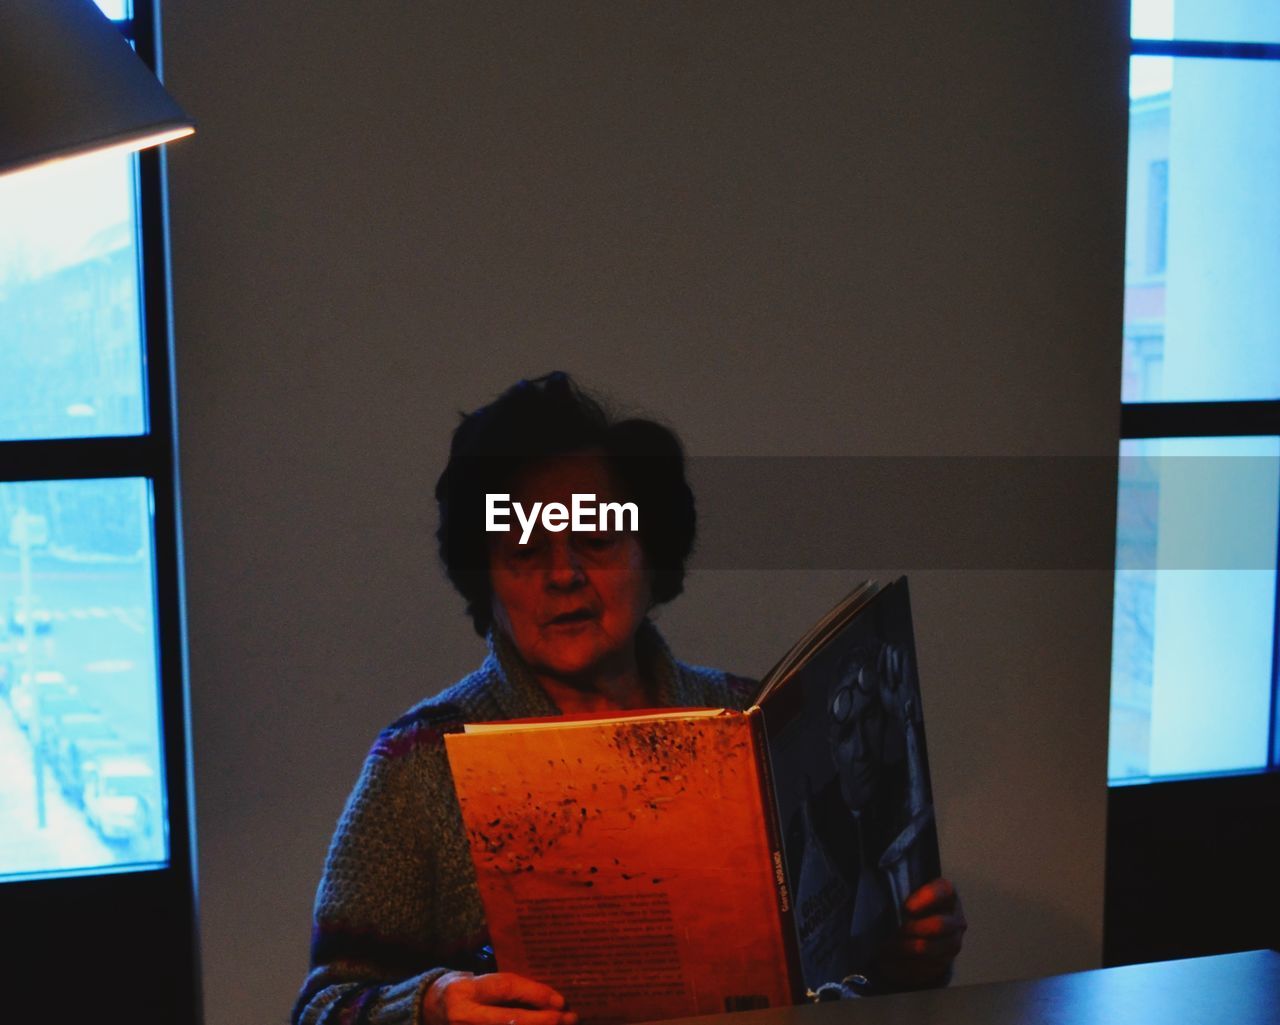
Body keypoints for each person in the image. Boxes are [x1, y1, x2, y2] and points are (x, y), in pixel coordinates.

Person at [292, 373, 966, 1025]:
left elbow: (827, 981)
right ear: (486, 577)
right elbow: (321, 1008)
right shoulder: (420, 761)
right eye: (525, 548)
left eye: (597, 539)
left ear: (654, 551)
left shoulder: (750, 721)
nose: (564, 573)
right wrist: (431, 1005)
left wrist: (902, 968)